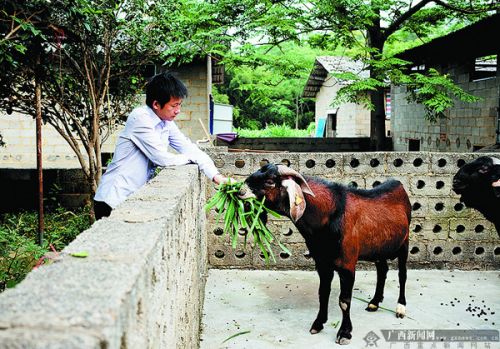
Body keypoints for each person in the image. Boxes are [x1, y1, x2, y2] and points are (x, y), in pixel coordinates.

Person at [93, 72, 228, 220]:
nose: (178, 110)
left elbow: (187, 147)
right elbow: (162, 159)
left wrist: (216, 176)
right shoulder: (140, 118)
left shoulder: (166, 122)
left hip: (130, 198)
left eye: (180, 105)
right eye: (174, 105)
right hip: (113, 198)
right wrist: (190, 159)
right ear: (156, 104)